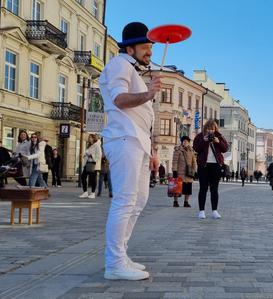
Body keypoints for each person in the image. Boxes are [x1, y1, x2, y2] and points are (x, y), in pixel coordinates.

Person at [99, 21, 161, 281]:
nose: (150, 52)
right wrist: (147, 94)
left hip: (138, 142)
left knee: (138, 201)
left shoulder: (133, 69)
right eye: (145, 47)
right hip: (124, 139)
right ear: (130, 47)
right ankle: (113, 263)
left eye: (151, 47)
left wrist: (153, 149)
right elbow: (120, 100)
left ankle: (120, 256)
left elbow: (143, 117)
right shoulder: (119, 65)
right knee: (124, 201)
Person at [193, 119, 229, 219]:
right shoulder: (200, 136)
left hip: (215, 165)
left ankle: (214, 211)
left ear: (215, 129)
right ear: (205, 128)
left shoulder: (219, 136)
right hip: (203, 165)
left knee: (214, 189)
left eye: (212, 129)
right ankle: (201, 211)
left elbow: (225, 149)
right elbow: (195, 148)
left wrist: (218, 142)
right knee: (203, 189)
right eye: (209, 129)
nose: (211, 131)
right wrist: (204, 141)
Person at [171, 136, 197, 208]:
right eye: (184, 141)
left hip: (189, 173)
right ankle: (175, 202)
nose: (185, 142)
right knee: (177, 188)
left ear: (189, 142)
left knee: (188, 189)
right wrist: (174, 171)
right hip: (180, 173)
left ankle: (186, 202)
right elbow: (175, 161)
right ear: (182, 142)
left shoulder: (191, 151)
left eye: (187, 141)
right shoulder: (178, 150)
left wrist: (195, 171)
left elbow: (194, 162)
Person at [79, 134, 102, 199]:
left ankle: (93, 193)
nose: (89, 139)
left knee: (93, 179)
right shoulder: (89, 145)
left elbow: (99, 155)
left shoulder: (97, 146)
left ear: (94, 138)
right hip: (87, 163)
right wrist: (85, 155)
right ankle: (85, 192)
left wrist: (91, 155)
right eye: (89, 137)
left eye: (91, 137)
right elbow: (87, 153)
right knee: (83, 177)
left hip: (93, 164)